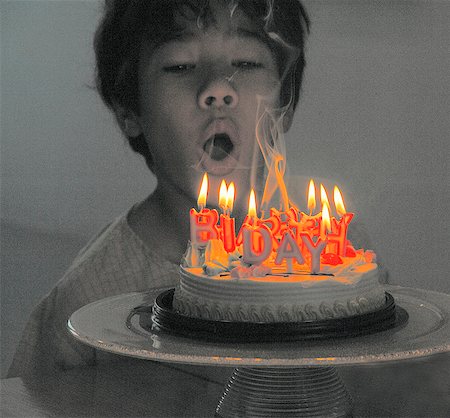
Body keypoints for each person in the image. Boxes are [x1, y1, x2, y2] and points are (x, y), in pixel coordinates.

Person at [8, 0, 310, 378]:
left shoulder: (331, 252)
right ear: (130, 112)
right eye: (180, 66)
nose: (218, 88)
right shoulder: (88, 302)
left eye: (246, 63)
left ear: (285, 102)